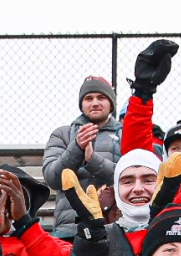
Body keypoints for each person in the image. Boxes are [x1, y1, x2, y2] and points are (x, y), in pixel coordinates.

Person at [43, 77, 124, 241]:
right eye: (88, 98)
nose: (95, 103)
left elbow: (128, 177)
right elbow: (52, 178)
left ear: (111, 103)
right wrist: (77, 148)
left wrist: (92, 161)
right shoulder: (62, 134)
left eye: (101, 97)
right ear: (81, 104)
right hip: (69, 230)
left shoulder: (124, 135)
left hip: (114, 228)